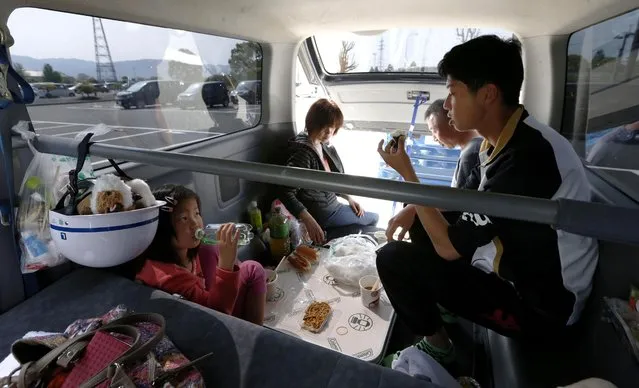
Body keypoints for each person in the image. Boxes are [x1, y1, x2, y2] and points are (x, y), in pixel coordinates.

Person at [376, 35, 598, 365]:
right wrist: (414, 207)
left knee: (391, 258)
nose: (447, 105)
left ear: (488, 93)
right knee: (423, 223)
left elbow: (449, 247)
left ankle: (439, 346)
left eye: (453, 93)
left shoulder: (528, 158)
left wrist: (408, 174)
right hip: (517, 264)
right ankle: (448, 308)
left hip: (542, 310)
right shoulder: (500, 141)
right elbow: (471, 205)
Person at [136, 184, 267, 325]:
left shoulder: (185, 251)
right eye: (184, 218)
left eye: (196, 213)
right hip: (213, 319)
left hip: (208, 297)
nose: (195, 223)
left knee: (209, 248)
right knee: (254, 269)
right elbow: (218, 314)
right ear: (163, 229)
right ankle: (257, 333)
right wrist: (226, 265)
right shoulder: (170, 278)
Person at [278, 98, 379, 243]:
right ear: (313, 123)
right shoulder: (303, 153)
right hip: (326, 212)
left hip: (331, 205)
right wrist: (308, 220)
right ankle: (331, 236)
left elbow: (330, 179)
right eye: (325, 126)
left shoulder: (320, 143)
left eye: (333, 127)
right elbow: (286, 192)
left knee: (366, 217)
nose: (330, 131)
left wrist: (349, 197)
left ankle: (333, 235)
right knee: (374, 219)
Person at [386, 98, 482, 243]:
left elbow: (459, 205)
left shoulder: (472, 152)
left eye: (433, 130)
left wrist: (413, 208)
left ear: (451, 121)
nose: (434, 138)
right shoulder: (471, 149)